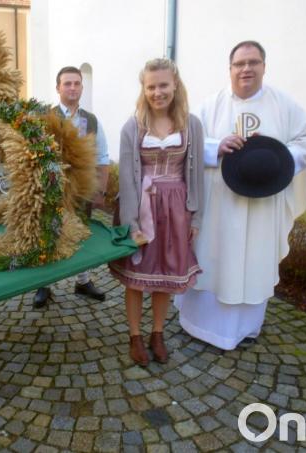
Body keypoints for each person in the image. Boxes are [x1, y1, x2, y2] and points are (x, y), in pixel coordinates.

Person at [174, 40, 306, 350]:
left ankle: (245, 327)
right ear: (230, 69)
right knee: (214, 258)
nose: (246, 69)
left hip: (262, 207)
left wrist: (274, 159)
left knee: (253, 261)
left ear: (264, 67)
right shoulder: (210, 105)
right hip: (219, 207)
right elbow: (187, 142)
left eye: (253, 62)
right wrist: (216, 148)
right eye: (240, 64)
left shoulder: (285, 105)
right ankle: (200, 324)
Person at [109, 58, 204, 366]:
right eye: (151, 86)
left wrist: (196, 216)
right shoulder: (133, 126)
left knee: (165, 275)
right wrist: (131, 223)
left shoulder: (192, 125)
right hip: (142, 207)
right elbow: (127, 178)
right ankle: (135, 335)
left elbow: (197, 175)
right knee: (137, 277)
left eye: (163, 85)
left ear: (175, 84)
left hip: (177, 210)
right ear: (144, 89)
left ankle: (158, 333)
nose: (157, 92)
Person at [33, 66, 110, 308]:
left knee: (81, 232)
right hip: (53, 186)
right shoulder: (46, 117)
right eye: (67, 83)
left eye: (76, 83)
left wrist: (101, 189)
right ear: (58, 88)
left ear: (82, 87)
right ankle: (44, 284)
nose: (73, 87)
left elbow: (102, 155)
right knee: (48, 233)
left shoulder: (92, 120)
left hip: (82, 188)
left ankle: (83, 280)